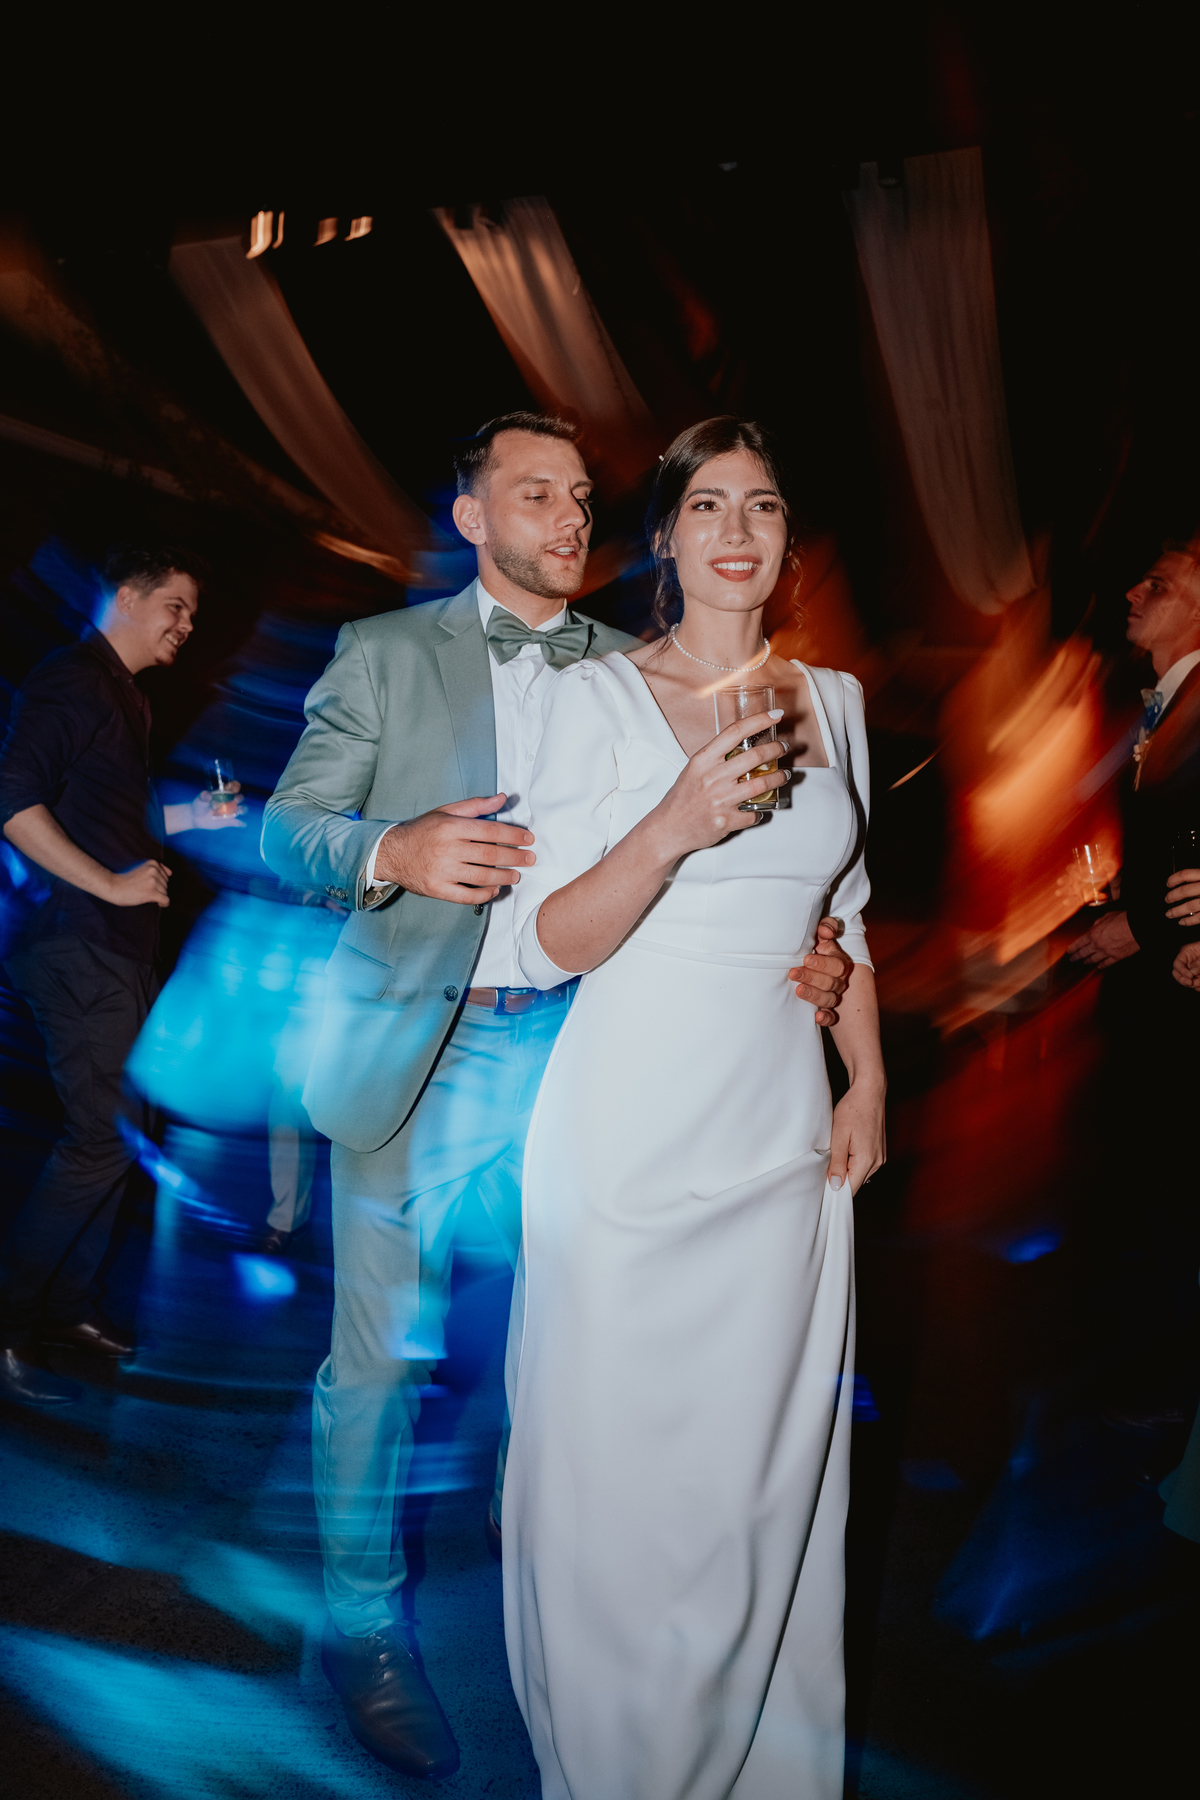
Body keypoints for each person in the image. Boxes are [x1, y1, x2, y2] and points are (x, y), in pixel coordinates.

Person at [260, 412, 856, 1782]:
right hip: (426, 1046)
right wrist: (393, 847)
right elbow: (294, 828)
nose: (570, 515)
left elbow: (741, 869)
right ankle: (362, 1633)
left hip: (596, 1058)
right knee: (383, 1361)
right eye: (536, 493)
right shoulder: (384, 654)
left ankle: (579, 1590)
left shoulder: (642, 668)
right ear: (471, 518)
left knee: (580, 1351)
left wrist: (808, 962)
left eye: (583, 495)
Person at [503, 417, 886, 1800]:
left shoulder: (834, 701)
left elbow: (841, 915)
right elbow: (539, 944)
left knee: (758, 1495)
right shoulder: (588, 699)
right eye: (707, 503)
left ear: (787, 541)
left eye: (766, 505)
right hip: (625, 1140)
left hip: (781, 1138)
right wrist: (670, 826)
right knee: (622, 1501)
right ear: (662, 536)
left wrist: (870, 1078)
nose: (738, 528)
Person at [0, 544, 240, 1408]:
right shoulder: (75, 677)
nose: (185, 626)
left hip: (113, 949)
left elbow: (118, 815)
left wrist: (190, 813)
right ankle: (14, 1314)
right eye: (176, 606)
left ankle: (68, 1310)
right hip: (77, 941)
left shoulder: (126, 701)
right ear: (129, 599)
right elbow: (11, 793)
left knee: (120, 1135)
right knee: (100, 1139)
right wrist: (105, 882)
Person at [1068, 540, 1200, 1430]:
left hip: (1185, 987)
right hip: (1161, 985)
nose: (1132, 590)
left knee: (1171, 1199)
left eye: (1159, 582)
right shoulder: (1157, 703)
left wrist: (1147, 926)